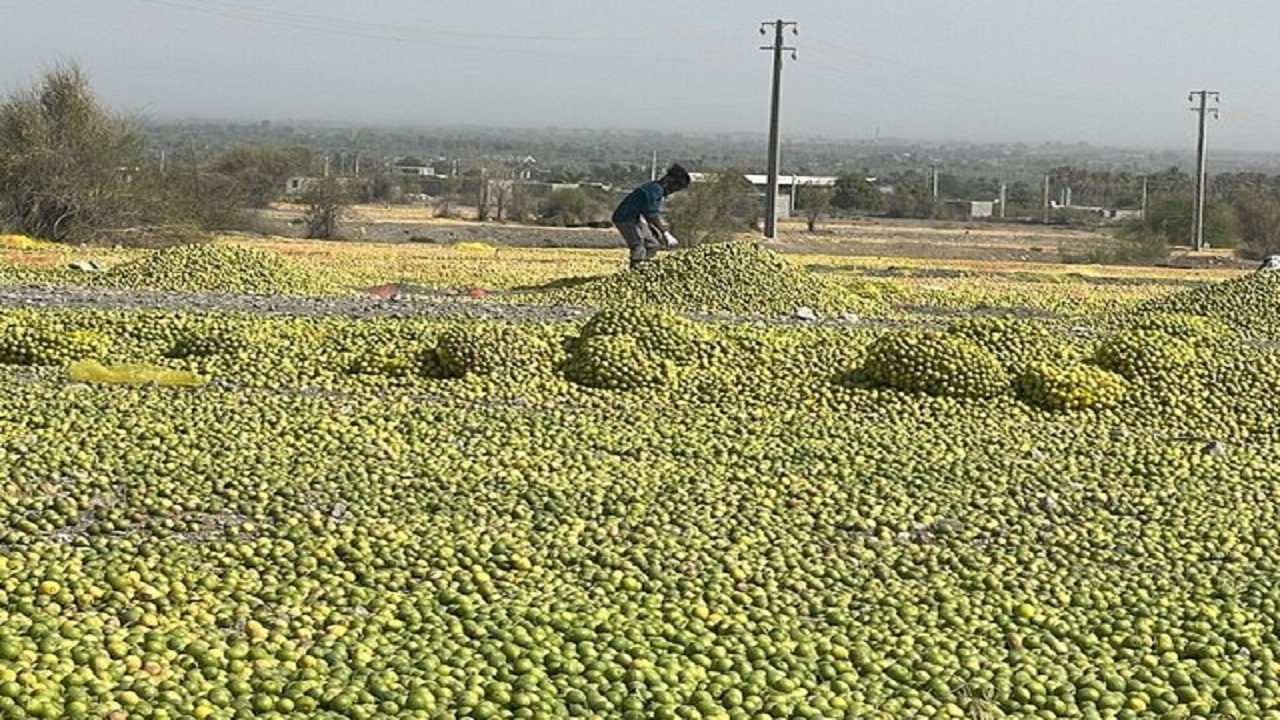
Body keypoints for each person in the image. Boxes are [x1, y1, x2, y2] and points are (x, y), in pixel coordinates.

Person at [612, 164, 692, 269]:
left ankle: (645, 268)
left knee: (652, 245)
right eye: (675, 188)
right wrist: (665, 233)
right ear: (670, 182)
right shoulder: (654, 190)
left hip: (636, 218)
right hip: (624, 218)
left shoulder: (656, 189)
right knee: (638, 246)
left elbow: (648, 213)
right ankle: (634, 272)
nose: (673, 192)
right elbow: (652, 214)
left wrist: (652, 228)